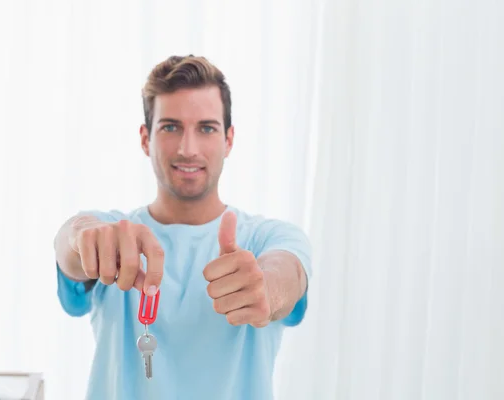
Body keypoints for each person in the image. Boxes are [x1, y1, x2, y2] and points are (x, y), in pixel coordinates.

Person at [53, 55, 312, 400]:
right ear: (145, 139)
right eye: (170, 127)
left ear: (229, 140)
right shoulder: (115, 234)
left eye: (206, 128)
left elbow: (288, 273)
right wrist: (81, 235)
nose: (188, 149)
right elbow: (71, 245)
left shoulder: (268, 238)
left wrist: (265, 287)